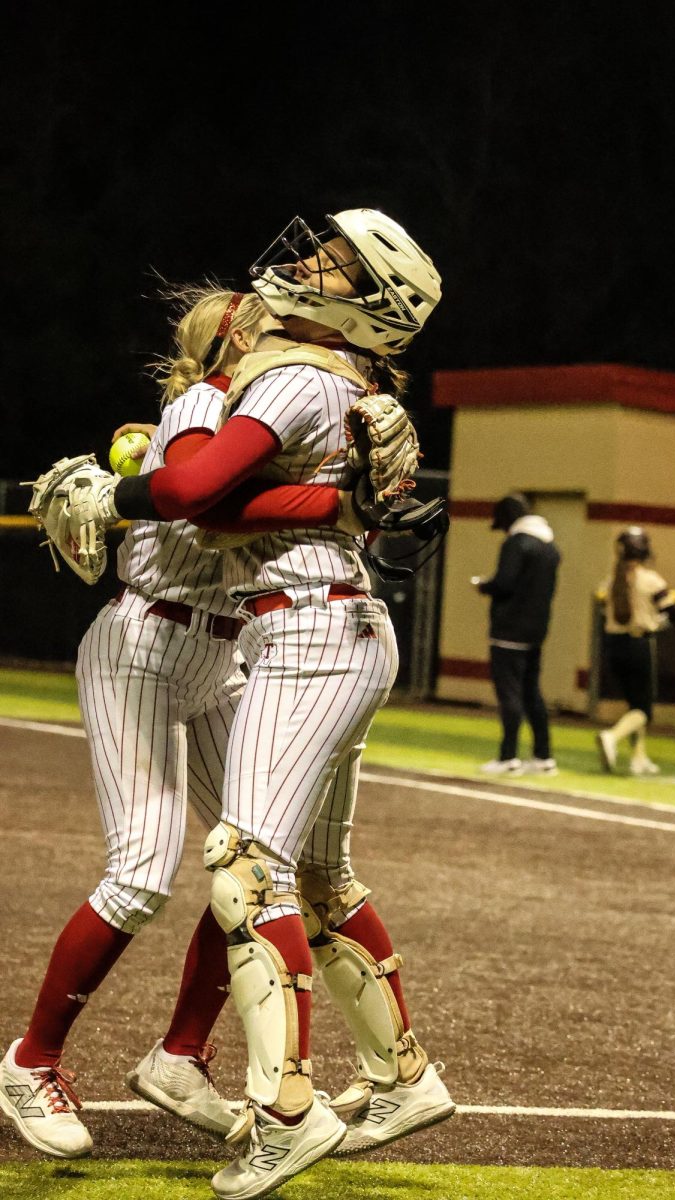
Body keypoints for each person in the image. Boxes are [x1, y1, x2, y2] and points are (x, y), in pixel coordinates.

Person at [60, 209, 455, 1199]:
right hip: (342, 622)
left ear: (365, 306)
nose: (306, 262)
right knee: (316, 871)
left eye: (333, 262)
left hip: (306, 626)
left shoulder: (291, 376)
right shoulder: (347, 382)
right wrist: (344, 504)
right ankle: (401, 1076)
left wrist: (116, 498)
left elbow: (194, 491)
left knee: (246, 869)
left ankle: (284, 1111)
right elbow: (231, 501)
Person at [0, 286, 374, 1161]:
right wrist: (342, 502)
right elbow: (200, 504)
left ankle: (180, 1057)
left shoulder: (247, 411)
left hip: (219, 651)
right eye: (264, 326)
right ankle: (30, 1060)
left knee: (257, 849)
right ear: (231, 342)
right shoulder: (208, 402)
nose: (283, 335)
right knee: (140, 875)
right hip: (147, 644)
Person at [473, 493, 560, 777]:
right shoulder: (550, 547)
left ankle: (508, 756)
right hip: (536, 630)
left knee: (510, 694)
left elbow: (505, 583)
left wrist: (484, 586)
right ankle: (543, 756)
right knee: (532, 693)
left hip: (509, 629)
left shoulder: (516, 544)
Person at [595, 526, 675, 776]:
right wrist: (656, 624)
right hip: (638, 644)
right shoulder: (650, 580)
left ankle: (638, 758)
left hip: (613, 645)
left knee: (633, 704)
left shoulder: (612, 581)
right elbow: (674, 615)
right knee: (643, 710)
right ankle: (612, 736)